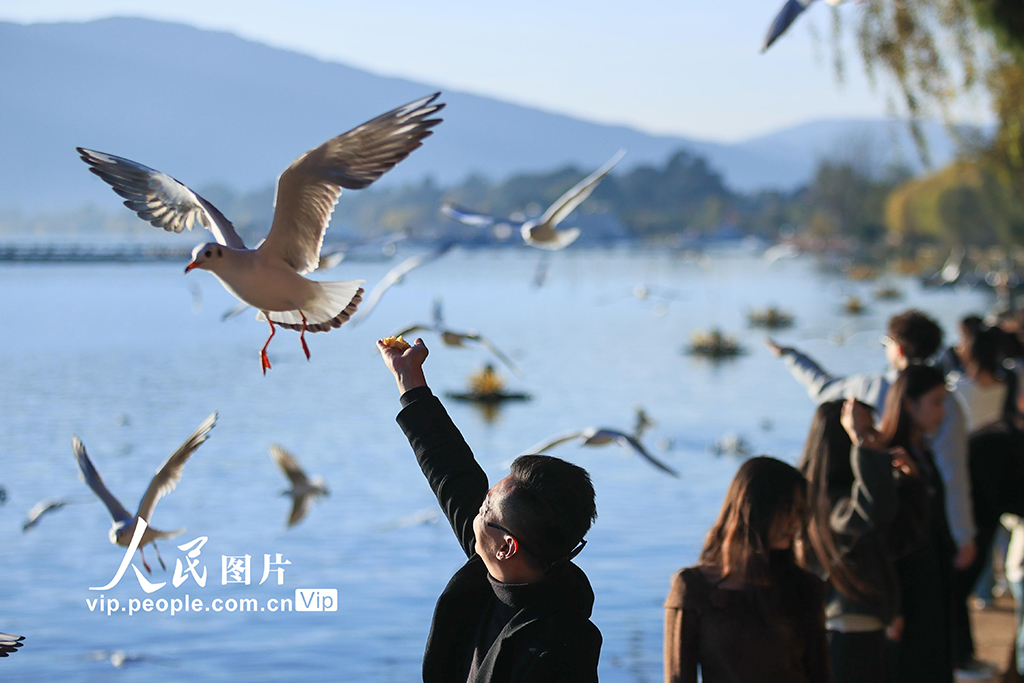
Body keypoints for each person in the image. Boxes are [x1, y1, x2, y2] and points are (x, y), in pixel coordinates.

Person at [378, 336, 602, 683]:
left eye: (483, 512)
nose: (473, 516)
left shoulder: (558, 653)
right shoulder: (506, 563)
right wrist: (409, 377)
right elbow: (452, 471)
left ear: (507, 546)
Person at [766, 310, 976, 586]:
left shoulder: (870, 387)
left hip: (875, 527)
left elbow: (822, 387)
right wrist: (964, 536)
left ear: (897, 348)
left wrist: (791, 356)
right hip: (924, 522)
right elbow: (954, 474)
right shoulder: (947, 402)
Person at [663, 456, 830, 683]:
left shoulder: (805, 588)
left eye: (800, 511)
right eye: (787, 509)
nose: (795, 522)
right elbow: (678, 678)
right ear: (755, 507)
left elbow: (820, 674)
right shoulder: (693, 588)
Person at [799, 399, 927, 683]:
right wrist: (861, 444)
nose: (877, 440)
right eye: (869, 433)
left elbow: (901, 539)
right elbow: (872, 511)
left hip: (856, 628)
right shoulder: (833, 502)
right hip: (845, 630)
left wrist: (911, 484)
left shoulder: (817, 496)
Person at [857, 364, 956, 683]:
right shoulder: (890, 459)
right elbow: (887, 537)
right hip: (908, 596)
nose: (942, 412)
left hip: (931, 589)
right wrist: (894, 607)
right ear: (909, 404)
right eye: (936, 402)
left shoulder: (919, 455)